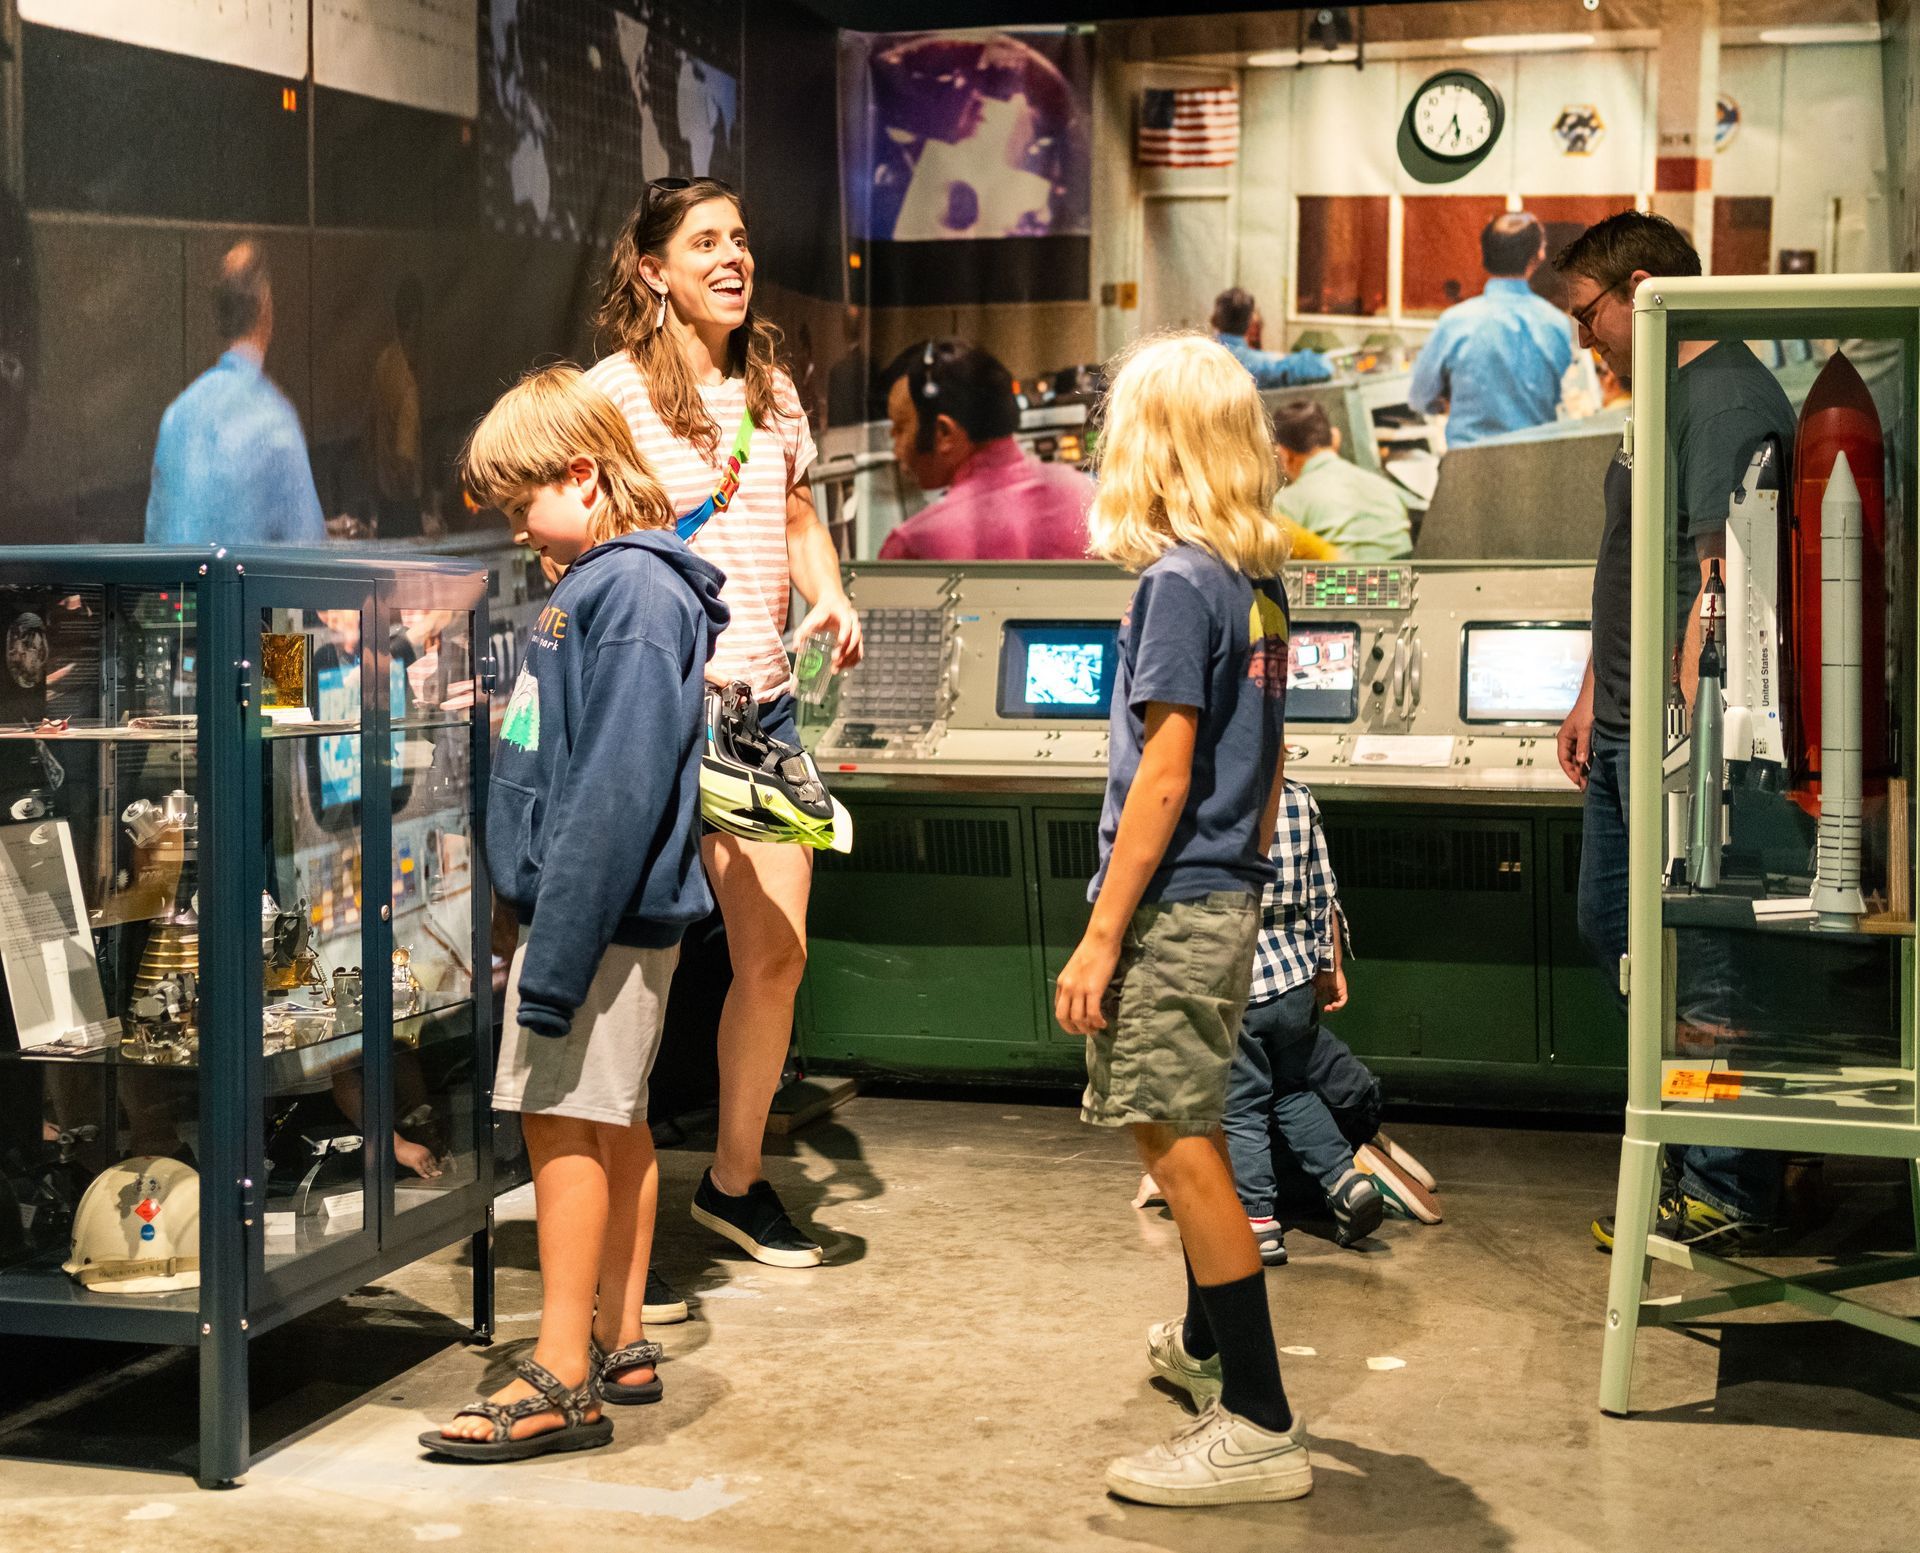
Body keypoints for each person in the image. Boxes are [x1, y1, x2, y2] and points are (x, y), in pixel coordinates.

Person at [423, 363, 729, 1461]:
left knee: (562, 1118)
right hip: (591, 921)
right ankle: (610, 1333)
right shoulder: (603, 589)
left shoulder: (633, 597)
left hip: (592, 926)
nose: (519, 533)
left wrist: (550, 956)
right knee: (608, 1117)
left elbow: (612, 791)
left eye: (524, 505)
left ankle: (557, 1371)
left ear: (584, 475)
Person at [587, 177, 861, 1278]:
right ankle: (608, 1192)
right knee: (635, 968)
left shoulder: (774, 389)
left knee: (776, 959)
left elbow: (796, 515)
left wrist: (828, 591)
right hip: (655, 712)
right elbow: (570, 538)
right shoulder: (609, 394)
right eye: (706, 241)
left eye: (741, 238)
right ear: (653, 269)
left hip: (760, 708)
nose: (733, 256)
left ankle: (735, 1183)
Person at [1054, 332, 1309, 1507]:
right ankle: (1209, 1349)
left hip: (1171, 903)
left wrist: (1104, 932)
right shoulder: (1255, 582)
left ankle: (1257, 1420)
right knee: (1191, 1115)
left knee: (1176, 1140)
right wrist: (1245, 873)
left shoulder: (1173, 582)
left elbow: (1163, 774)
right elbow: (1263, 766)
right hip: (1228, 891)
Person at [1552, 211, 1794, 1250]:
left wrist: (1676, 752)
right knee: (1619, 938)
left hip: (1673, 745)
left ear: (1639, 286)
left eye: (1587, 313)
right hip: (1620, 723)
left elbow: (1719, 587)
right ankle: (1695, 1150)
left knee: (1697, 963)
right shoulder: (1661, 393)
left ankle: (1725, 1182)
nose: (1584, 338)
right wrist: (1586, 693)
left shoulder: (1728, 395)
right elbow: (1629, 558)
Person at [1222, 777, 1384, 1266]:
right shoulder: (1297, 798)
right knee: (1292, 1088)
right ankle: (1345, 1179)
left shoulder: (1215, 795)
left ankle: (1258, 1222)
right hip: (1293, 983)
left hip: (1237, 985)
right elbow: (1323, 895)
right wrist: (1329, 968)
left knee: (1243, 1106)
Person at [145, 242, 325, 546]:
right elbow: (308, 553)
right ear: (266, 307)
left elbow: (155, 541)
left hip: (185, 594)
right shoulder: (276, 422)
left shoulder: (177, 415)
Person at [877, 338, 1093, 561]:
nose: (895, 448)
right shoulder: (1087, 498)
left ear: (944, 433)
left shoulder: (914, 546)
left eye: (900, 428)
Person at [1409, 213, 1575, 448]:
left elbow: (1419, 397)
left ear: (1485, 254)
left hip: (1467, 468)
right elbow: (1567, 397)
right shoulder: (1556, 323)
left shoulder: (1455, 322)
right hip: (1535, 467)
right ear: (1537, 256)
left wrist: (1449, 404)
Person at [1272, 401, 1413, 562]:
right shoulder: (1389, 489)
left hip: (1343, 584)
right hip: (1403, 583)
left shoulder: (1284, 506)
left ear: (1283, 454)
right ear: (1335, 438)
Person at [369, 275, 425, 539]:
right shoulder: (408, 389)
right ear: (416, 321)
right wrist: (422, 514)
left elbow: (368, 429)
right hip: (403, 509)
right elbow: (405, 462)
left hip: (382, 501)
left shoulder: (384, 362)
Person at [1210, 288, 1331, 390]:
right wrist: (1281, 358)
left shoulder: (1200, 356)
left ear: (1214, 319)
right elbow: (1322, 367)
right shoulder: (1256, 364)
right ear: (1250, 324)